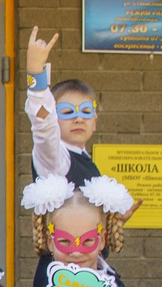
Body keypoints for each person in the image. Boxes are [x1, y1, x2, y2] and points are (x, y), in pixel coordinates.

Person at [22, 25, 104, 186]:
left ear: (95, 121)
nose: (79, 119)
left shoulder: (86, 161)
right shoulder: (55, 158)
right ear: (54, 118)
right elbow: (44, 126)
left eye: (86, 111)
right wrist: (35, 71)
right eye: (67, 112)